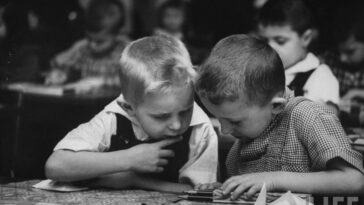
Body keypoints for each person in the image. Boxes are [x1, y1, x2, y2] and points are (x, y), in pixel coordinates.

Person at [194, 34, 364, 199]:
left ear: (276, 105)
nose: (224, 130)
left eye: (234, 121)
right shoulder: (235, 155)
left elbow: (355, 179)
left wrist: (274, 179)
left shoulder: (307, 117)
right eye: (219, 119)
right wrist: (229, 190)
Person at [45, 35, 218, 193]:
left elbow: (199, 195)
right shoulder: (114, 117)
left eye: (186, 110)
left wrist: (134, 179)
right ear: (128, 108)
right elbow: (56, 165)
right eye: (161, 116)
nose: (177, 125)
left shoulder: (200, 129)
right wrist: (129, 159)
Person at [256, 0, 339, 112]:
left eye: (280, 41)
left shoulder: (320, 76)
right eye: (264, 40)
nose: (270, 47)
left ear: (306, 38)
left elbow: (329, 118)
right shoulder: (258, 69)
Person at [45, 0, 129, 93]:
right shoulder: (82, 48)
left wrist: (101, 82)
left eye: (99, 41)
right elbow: (59, 63)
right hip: (85, 104)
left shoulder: (128, 52)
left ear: (118, 35)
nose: (92, 45)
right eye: (89, 39)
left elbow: (137, 81)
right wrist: (61, 74)